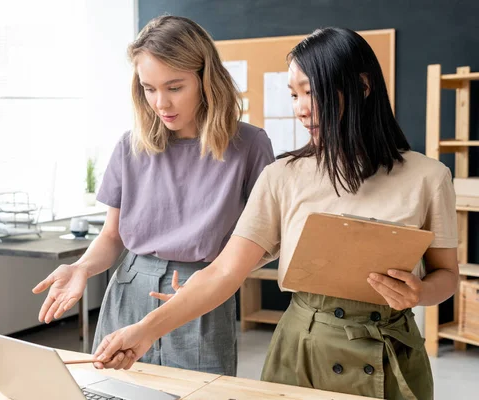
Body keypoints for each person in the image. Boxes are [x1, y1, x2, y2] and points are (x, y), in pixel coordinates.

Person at [92, 27, 459, 400]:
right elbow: (224, 270)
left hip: (392, 353)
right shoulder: (282, 175)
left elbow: (447, 277)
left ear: (363, 87)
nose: (300, 108)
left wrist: (420, 293)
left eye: (310, 92)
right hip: (301, 352)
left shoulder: (429, 177)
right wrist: (143, 332)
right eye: (294, 94)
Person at [32, 15, 275, 376]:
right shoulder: (130, 146)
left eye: (174, 87)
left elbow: (267, 242)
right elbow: (112, 236)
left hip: (200, 295)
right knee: (112, 392)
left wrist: (216, 279)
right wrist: (82, 267)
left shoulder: (250, 145)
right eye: (149, 88)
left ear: (205, 79)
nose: (161, 103)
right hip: (129, 289)